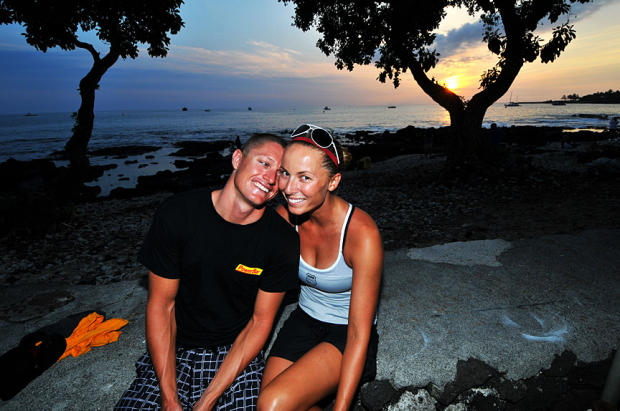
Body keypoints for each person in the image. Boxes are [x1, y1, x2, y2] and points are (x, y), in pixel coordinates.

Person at [115, 134, 300, 410]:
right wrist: (169, 398)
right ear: (237, 158)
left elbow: (260, 322)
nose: (271, 178)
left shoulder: (282, 241)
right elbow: (162, 305)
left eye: (280, 173)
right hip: (174, 347)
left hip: (234, 353)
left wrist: (207, 401)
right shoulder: (178, 214)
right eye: (264, 163)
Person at [258, 124, 384, 410]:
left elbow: (358, 331)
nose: (289, 188)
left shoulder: (361, 234)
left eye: (305, 177)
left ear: (333, 181)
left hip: (345, 332)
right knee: (271, 404)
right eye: (285, 173)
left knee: (272, 404)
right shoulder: (285, 217)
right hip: (303, 320)